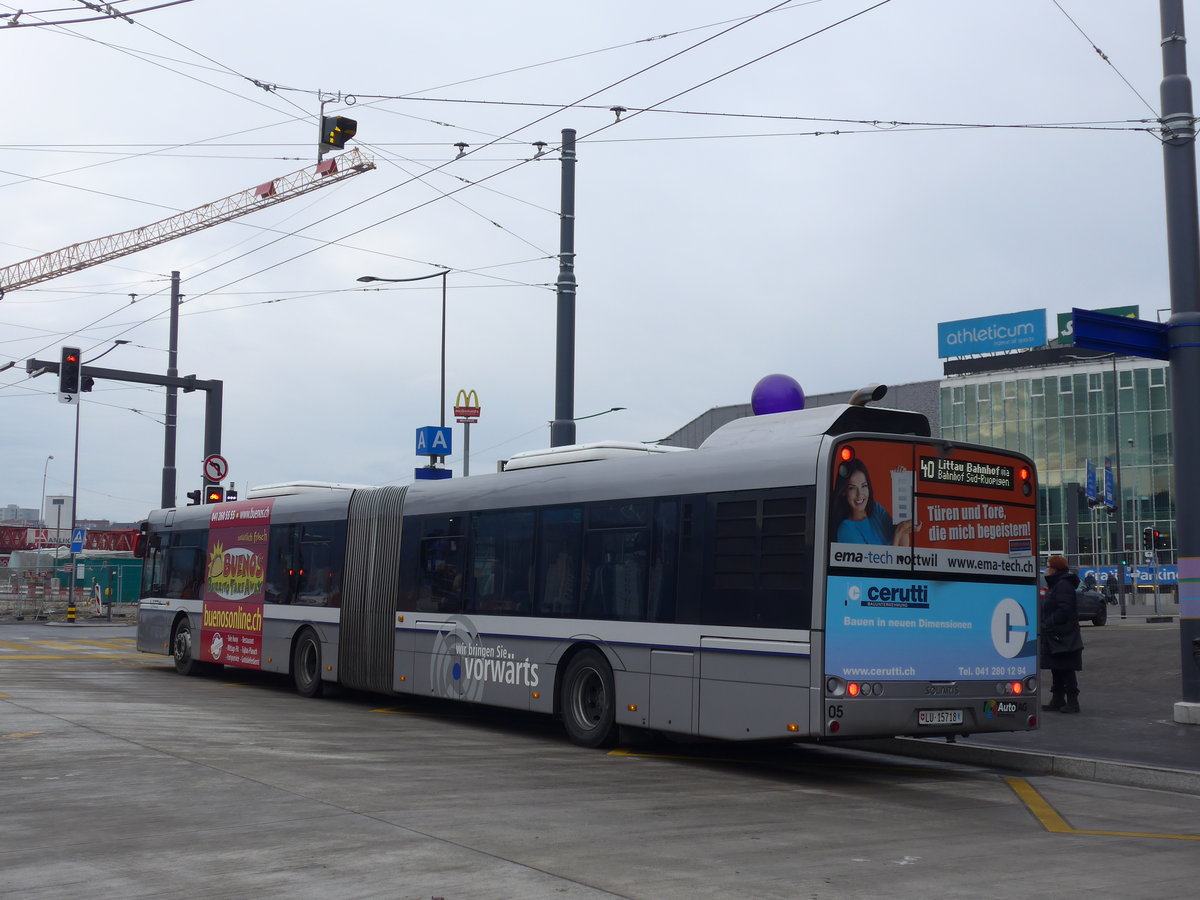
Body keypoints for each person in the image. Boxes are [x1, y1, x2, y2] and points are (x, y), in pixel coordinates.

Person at [831, 458, 914, 546]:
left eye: (864, 486)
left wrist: (900, 482)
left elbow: (903, 548)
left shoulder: (876, 509)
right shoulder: (846, 529)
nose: (860, 494)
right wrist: (899, 531)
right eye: (852, 488)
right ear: (844, 491)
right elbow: (889, 559)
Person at [1040, 555, 1084, 714]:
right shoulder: (1057, 584)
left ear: (1054, 568)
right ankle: (1058, 699)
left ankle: (1072, 701)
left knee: (1066, 668)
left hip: (1063, 635)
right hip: (1057, 634)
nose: (1046, 569)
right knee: (1056, 667)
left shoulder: (1063, 585)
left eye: (1048, 566)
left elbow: (1064, 610)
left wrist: (1049, 623)